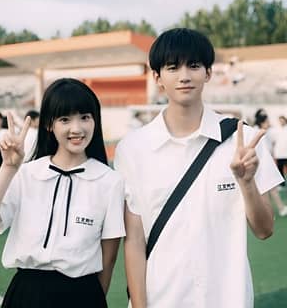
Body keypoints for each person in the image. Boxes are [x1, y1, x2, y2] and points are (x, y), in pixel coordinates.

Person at [114, 28, 283, 308]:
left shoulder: (242, 141)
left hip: (228, 299)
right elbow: (133, 241)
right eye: (172, 67)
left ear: (207, 73)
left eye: (193, 65)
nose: (184, 76)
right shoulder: (133, 148)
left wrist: (247, 182)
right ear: (157, 77)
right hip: (160, 300)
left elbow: (264, 230)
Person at [0, 78, 125, 308]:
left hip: (83, 295)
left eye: (85, 117)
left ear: (95, 121)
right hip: (26, 294)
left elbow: (108, 259)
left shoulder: (110, 181)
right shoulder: (27, 174)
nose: (77, 128)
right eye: (65, 119)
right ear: (49, 125)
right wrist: (9, 168)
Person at [254, 113, 287, 216]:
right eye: (267, 121)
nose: (269, 123)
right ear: (262, 122)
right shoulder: (256, 132)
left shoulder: (267, 132)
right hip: (261, 165)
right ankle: (279, 209)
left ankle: (278, 209)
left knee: (269, 189)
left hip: (265, 164)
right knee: (268, 189)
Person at [273, 116, 287, 187]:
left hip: (286, 154)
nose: (281, 122)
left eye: (282, 120)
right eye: (280, 120)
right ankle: (282, 184)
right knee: (280, 169)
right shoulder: (276, 130)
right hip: (279, 154)